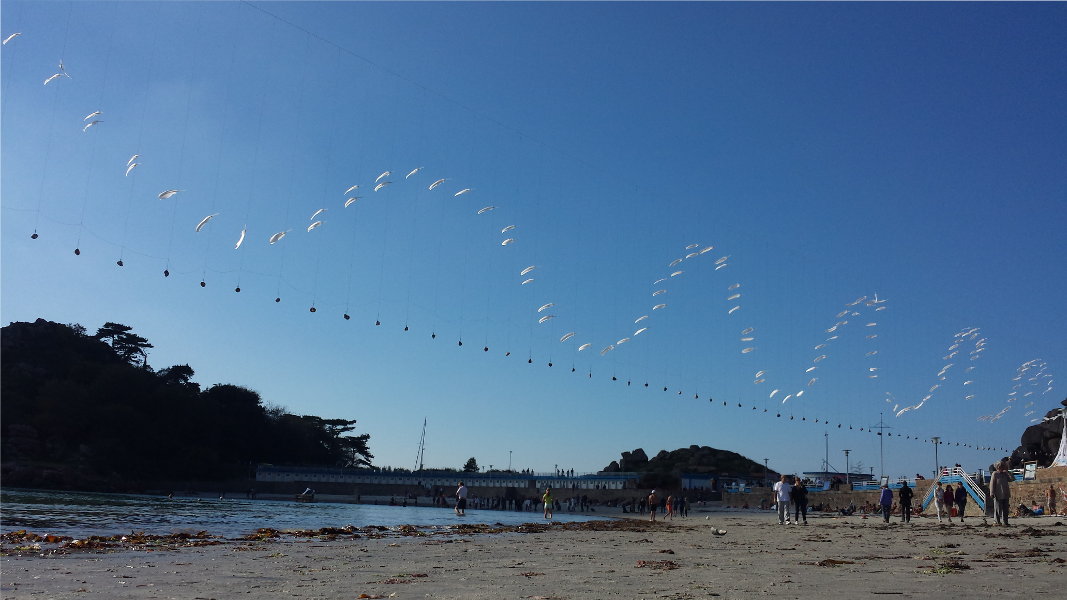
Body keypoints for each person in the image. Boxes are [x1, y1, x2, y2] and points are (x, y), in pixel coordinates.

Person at [989, 461, 1012, 526]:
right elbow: (992, 484)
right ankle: (996, 522)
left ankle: (1005, 522)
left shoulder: (1005, 474)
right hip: (998, 494)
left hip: (1006, 494)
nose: (1002, 467)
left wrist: (1008, 472)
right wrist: (992, 493)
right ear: (998, 467)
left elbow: (1012, 479)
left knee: (1005, 509)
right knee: (997, 509)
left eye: (1003, 466)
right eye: (1001, 466)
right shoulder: (995, 474)